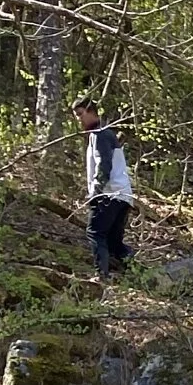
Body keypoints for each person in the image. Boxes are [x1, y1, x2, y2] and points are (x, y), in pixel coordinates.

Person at [74, 96, 134, 281]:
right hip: (123, 195)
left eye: (80, 114)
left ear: (91, 111)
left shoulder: (100, 134)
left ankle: (102, 275)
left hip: (110, 194)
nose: (78, 119)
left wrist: (96, 193)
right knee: (114, 243)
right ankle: (142, 275)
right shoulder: (105, 134)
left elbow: (104, 165)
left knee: (95, 232)